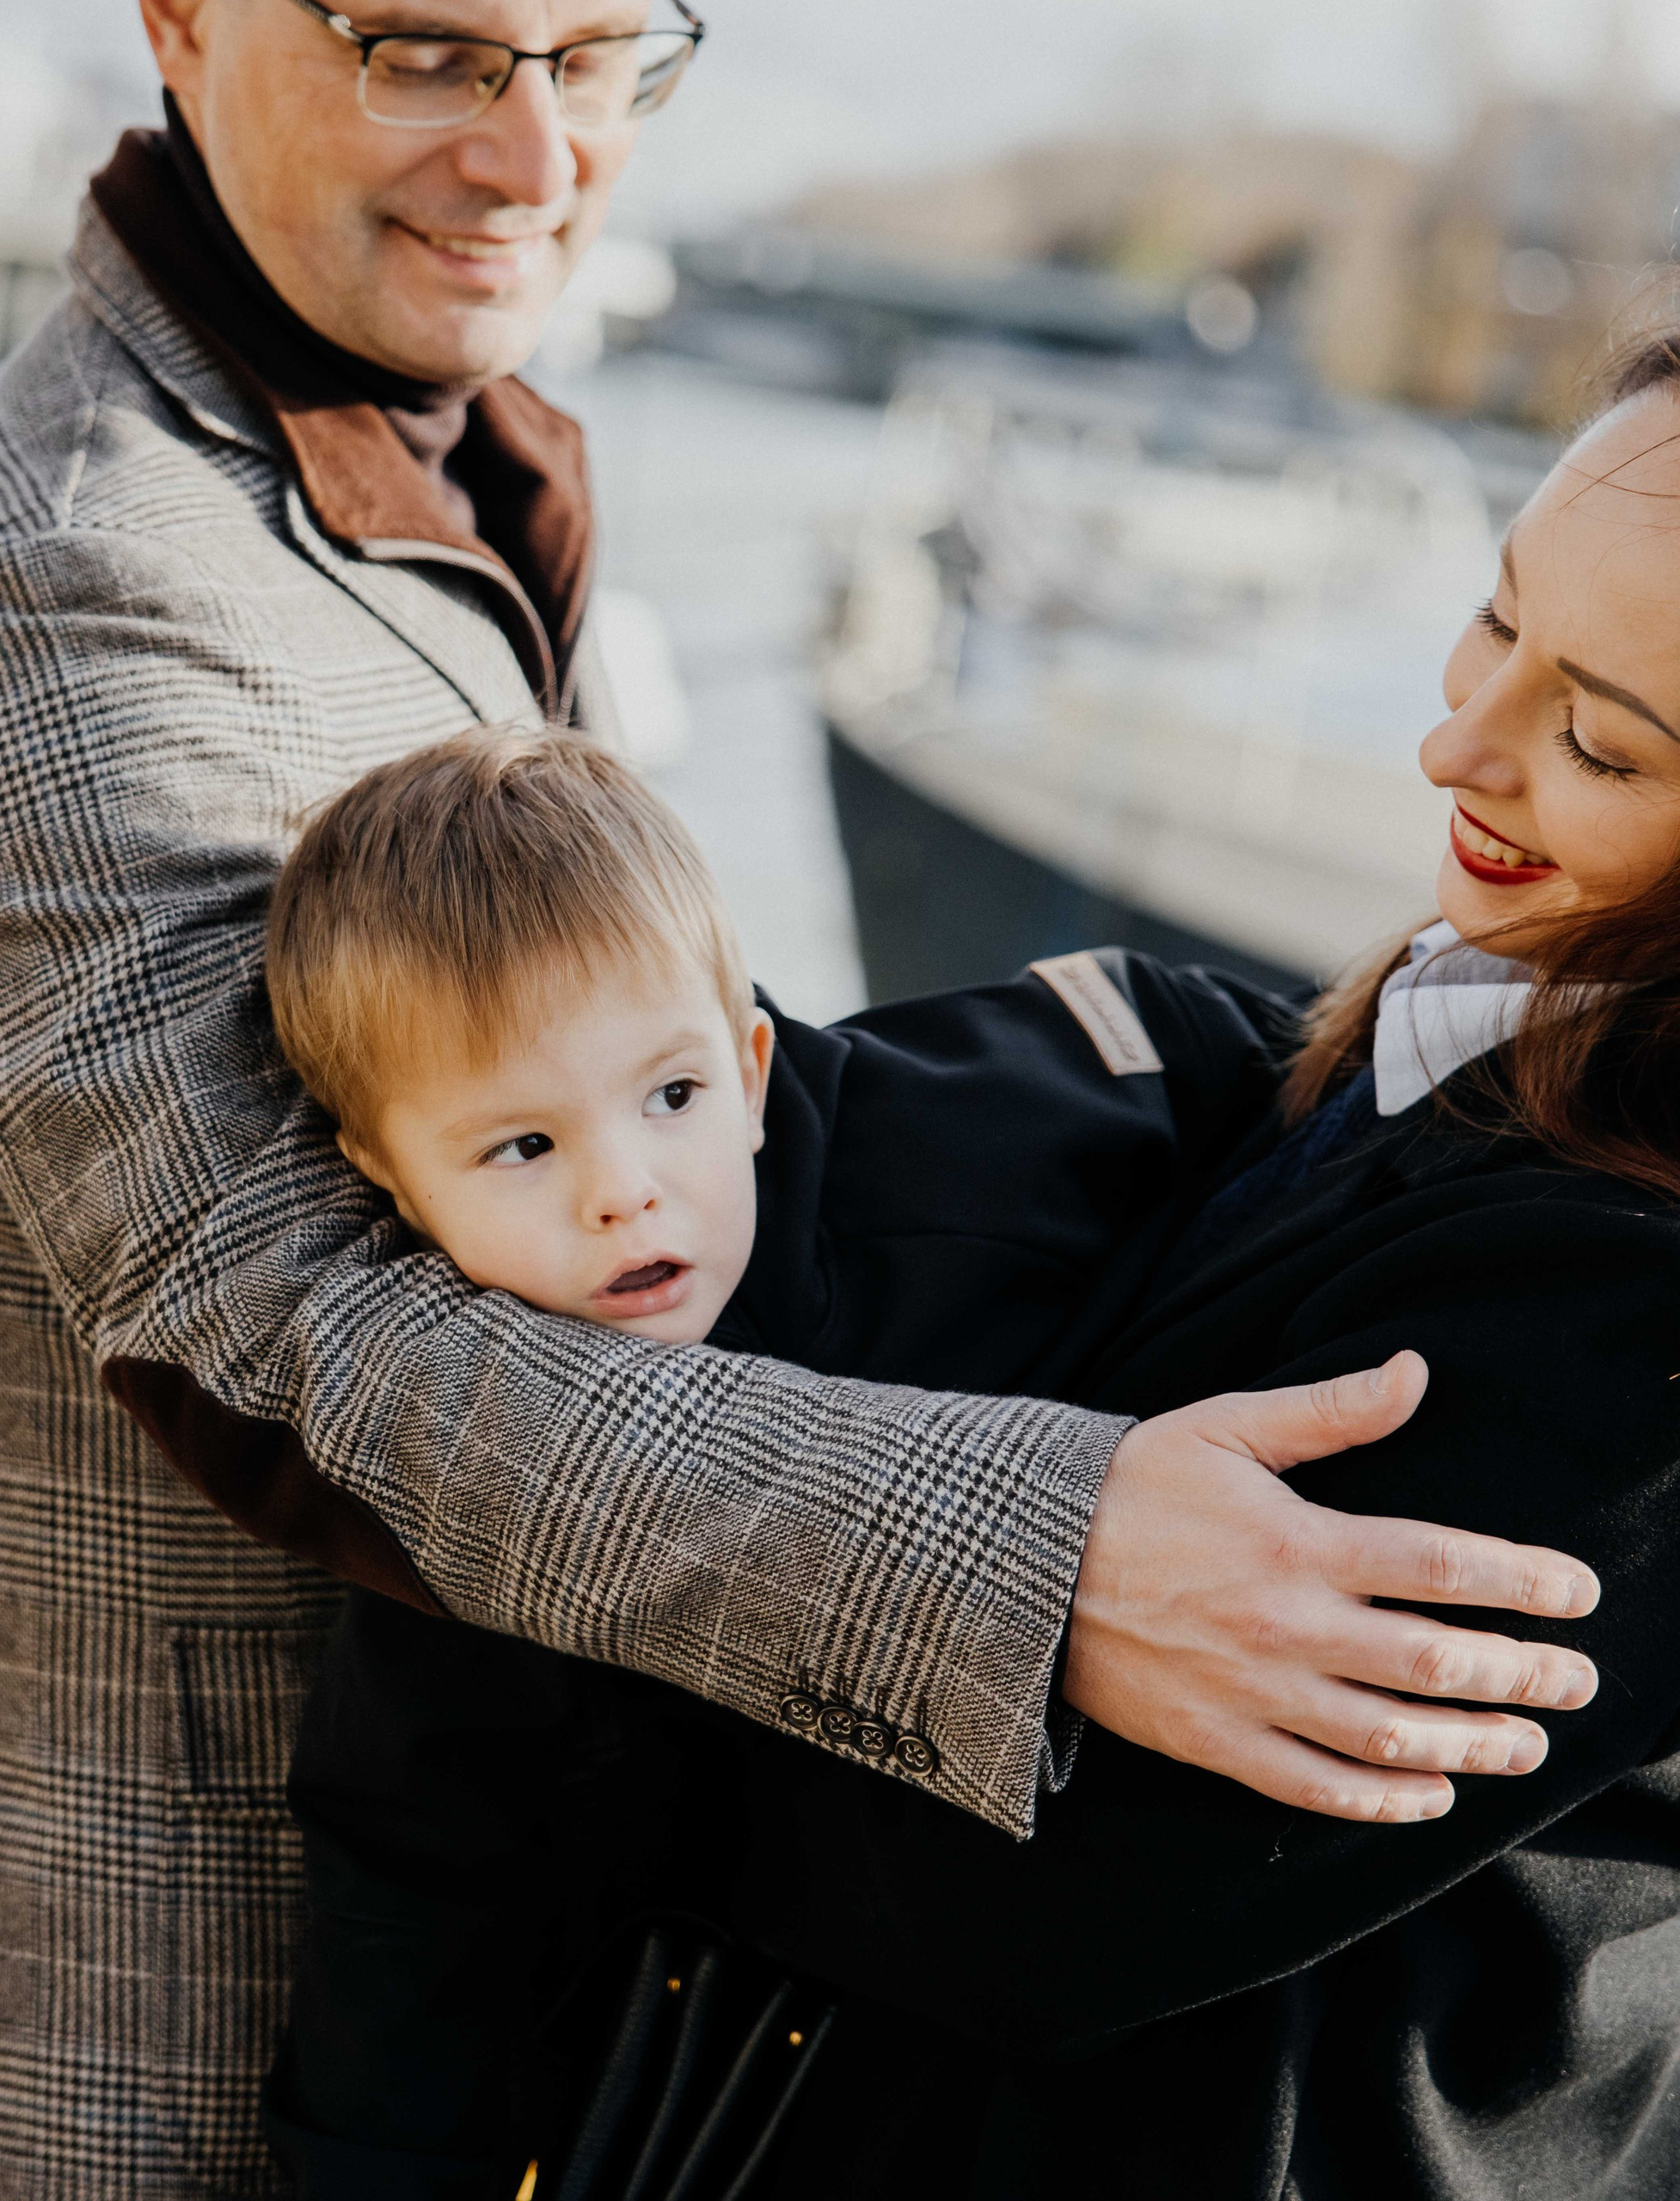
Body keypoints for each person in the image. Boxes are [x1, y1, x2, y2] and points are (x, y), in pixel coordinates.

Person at [0, 0, 1599, 2186]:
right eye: (424, 51)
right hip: (142, 2018)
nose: (537, 153)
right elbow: (287, 1324)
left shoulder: (391, 475)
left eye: (603, 50)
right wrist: (1030, 1557)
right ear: (176, 22)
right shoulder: (75, 605)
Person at [280, 336, 1680, 2198]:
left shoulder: (1631, 1308)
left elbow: (1036, 1906)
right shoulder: (1335, 1052)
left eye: (1592, 738)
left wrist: (551, 1673)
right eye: (1487, 621)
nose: (1453, 742)